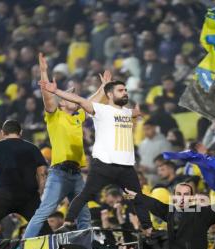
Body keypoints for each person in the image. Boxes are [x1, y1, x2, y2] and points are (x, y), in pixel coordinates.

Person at [38, 78, 152, 235]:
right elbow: (79, 100)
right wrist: (56, 91)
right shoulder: (101, 110)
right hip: (103, 165)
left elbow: (133, 113)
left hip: (126, 166)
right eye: (121, 90)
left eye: (126, 90)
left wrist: (137, 113)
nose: (125, 92)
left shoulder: (126, 112)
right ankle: (69, 222)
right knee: (86, 194)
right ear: (110, 95)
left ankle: (148, 229)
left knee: (138, 197)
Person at [23, 53, 110, 238]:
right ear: (62, 103)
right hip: (59, 174)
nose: (75, 99)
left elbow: (91, 102)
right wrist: (44, 72)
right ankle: (24, 248)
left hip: (77, 174)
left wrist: (103, 87)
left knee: (84, 217)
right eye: (71, 97)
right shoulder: (55, 116)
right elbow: (47, 97)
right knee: (44, 212)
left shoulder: (77, 117)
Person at [0, 120, 50, 245]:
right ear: (20, 132)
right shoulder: (32, 147)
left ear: (2, 133)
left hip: (3, 195)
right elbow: (42, 171)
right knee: (44, 230)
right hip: (28, 196)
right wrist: (41, 190)